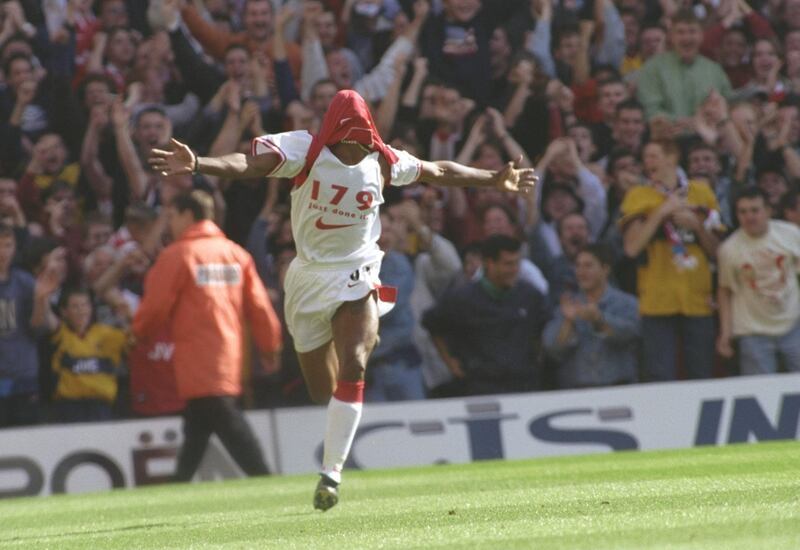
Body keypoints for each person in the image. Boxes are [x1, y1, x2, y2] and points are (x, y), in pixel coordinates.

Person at [149, 89, 536, 511]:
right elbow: (247, 165)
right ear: (334, 134)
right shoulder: (303, 151)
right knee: (323, 390)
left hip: (358, 271)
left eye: (362, 139)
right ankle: (342, 385)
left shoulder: (383, 159)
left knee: (355, 360)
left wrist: (493, 178)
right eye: (349, 141)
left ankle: (330, 474)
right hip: (309, 279)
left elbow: (437, 170)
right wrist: (199, 163)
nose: (358, 147)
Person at [132, 190, 282, 482]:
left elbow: (155, 306)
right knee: (200, 423)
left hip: (197, 358)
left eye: (172, 216)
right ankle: (179, 484)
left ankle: (266, 480)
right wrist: (270, 347)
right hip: (229, 354)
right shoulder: (237, 254)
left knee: (225, 419)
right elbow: (260, 307)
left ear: (188, 215)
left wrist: (138, 334)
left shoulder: (178, 255)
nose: (170, 223)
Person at [422, 234, 548, 396]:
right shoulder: (462, 298)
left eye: (517, 263)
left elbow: (540, 331)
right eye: (508, 264)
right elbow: (432, 324)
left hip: (523, 385)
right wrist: (450, 362)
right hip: (480, 387)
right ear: (489, 263)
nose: (514, 270)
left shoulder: (530, 296)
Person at [717, 188, 800, 375]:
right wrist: (726, 332)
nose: (749, 217)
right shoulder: (729, 249)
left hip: (794, 324)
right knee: (762, 392)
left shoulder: (791, 234)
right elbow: (725, 290)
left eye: (755, 210)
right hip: (753, 332)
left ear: (768, 211)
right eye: (743, 212)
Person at [542, 244, 640, 389]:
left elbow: (631, 335)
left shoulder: (627, 303)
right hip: (576, 393)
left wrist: (599, 320)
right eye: (578, 266)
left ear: (605, 269)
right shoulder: (567, 305)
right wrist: (568, 321)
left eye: (588, 266)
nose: (581, 272)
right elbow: (552, 350)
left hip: (619, 389)